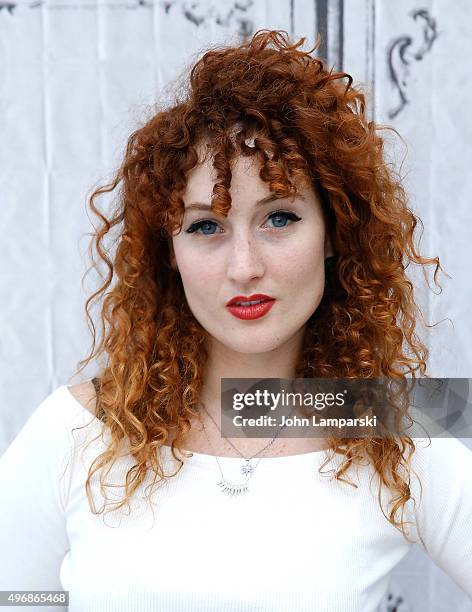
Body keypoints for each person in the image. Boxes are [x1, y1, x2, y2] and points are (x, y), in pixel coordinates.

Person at [0, 29, 471, 612]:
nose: (245, 266)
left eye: (278, 219)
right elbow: (17, 597)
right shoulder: (75, 430)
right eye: (206, 227)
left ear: (332, 233)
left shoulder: (394, 420)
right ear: (167, 251)